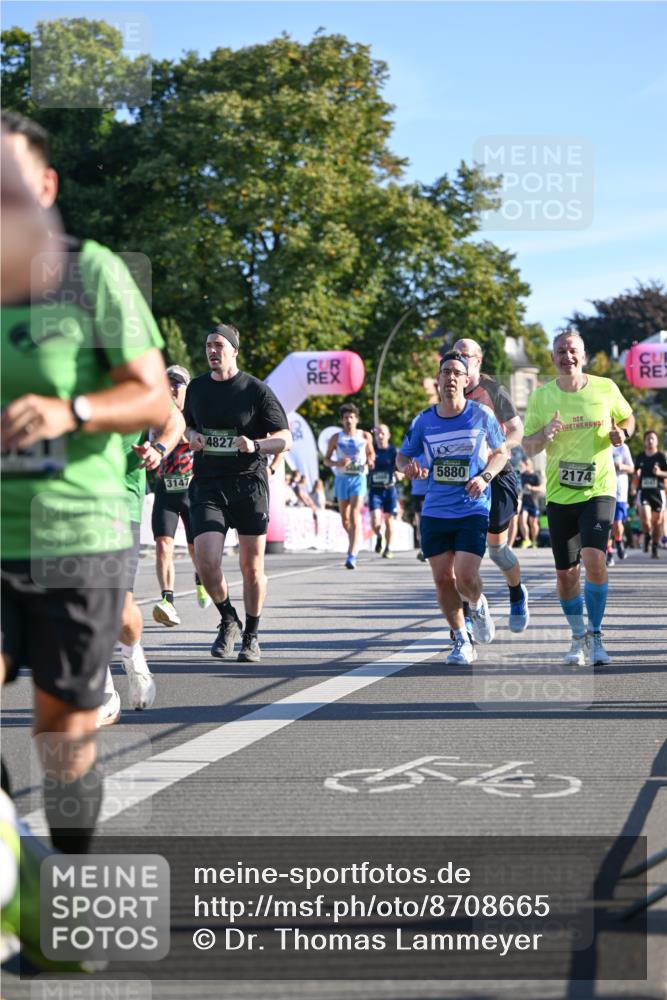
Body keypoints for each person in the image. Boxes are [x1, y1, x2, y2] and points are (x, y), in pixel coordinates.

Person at [1, 111, 171, 853]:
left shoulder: (88, 270)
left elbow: (152, 397)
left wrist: (69, 409)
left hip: (78, 535)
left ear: (44, 186)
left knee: (61, 737)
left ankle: (66, 880)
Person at [523, 330, 634, 666]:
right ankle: (577, 638)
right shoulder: (542, 397)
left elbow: (628, 417)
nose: (566, 356)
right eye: (560, 351)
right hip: (560, 494)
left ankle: (596, 635)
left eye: (572, 350)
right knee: (566, 574)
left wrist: (622, 433)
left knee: (594, 558)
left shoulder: (605, 388)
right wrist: (545, 433)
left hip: (599, 488)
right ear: (553, 357)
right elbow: (528, 445)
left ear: (583, 355)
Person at [183, 323, 292, 663]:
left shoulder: (256, 391)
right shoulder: (197, 389)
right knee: (206, 561)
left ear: (234, 350)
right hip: (208, 484)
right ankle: (228, 618)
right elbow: (186, 423)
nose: (212, 351)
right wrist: (191, 436)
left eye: (218, 345)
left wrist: (255, 444)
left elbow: (285, 438)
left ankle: (252, 634)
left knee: (251, 566)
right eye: (208, 346)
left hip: (248, 485)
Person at [397, 351, 508, 665]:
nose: (450, 378)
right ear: (438, 379)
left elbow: (501, 453)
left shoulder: (481, 415)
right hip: (435, 510)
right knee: (443, 580)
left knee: (464, 576)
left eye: (456, 372)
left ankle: (479, 603)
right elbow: (402, 457)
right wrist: (409, 468)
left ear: (466, 379)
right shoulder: (424, 420)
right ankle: (462, 639)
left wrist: (486, 477)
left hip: (472, 507)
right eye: (445, 372)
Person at [96, 404, 187, 726]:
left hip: (118, 503)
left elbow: (174, 418)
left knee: (119, 609)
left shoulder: (126, 367)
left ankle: (132, 654)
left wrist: (159, 448)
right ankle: (103, 692)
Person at [453, 338, 530, 632]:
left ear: (478, 361)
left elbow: (516, 430)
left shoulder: (493, 390)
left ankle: (516, 594)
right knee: (461, 554)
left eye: (465, 355)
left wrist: (495, 448)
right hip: (464, 481)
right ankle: (468, 618)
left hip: (498, 476)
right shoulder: (449, 390)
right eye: (455, 353)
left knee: (497, 551)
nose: (459, 358)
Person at [152, 364, 211, 628]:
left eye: (177, 384)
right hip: (166, 490)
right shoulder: (155, 416)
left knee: (194, 549)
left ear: (187, 388)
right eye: (168, 384)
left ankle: (201, 580)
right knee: (163, 545)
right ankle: (168, 601)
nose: (172, 388)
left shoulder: (196, 414)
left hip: (192, 491)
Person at [323, 404, 375, 569]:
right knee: (345, 520)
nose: (349, 420)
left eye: (352, 417)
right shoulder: (336, 438)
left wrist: (371, 460)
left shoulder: (365, 436)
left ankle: (352, 554)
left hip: (358, 477)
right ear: (342, 420)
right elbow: (326, 460)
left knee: (354, 514)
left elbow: (371, 453)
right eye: (346, 418)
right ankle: (355, 539)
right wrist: (337, 462)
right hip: (342, 479)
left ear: (357, 419)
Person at [368, 424, 402, 559]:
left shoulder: (394, 451)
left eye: (383, 433)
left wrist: (401, 474)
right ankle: (379, 535)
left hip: (389, 490)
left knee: (389, 521)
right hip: (375, 490)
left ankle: (388, 548)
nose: (380, 436)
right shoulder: (371, 450)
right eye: (378, 434)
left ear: (388, 435)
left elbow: (402, 468)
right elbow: (363, 463)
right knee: (375, 520)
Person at [634, 430, 667, 559]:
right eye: (648, 438)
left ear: (657, 441)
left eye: (653, 438)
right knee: (646, 519)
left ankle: (654, 545)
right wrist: (635, 480)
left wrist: (659, 473)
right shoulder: (640, 456)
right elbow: (635, 473)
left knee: (657, 522)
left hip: (658, 492)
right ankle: (647, 534)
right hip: (644, 491)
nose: (650, 441)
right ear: (644, 441)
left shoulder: (661, 457)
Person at [609, 438, 635, 563]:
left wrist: (621, 466)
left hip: (619, 491)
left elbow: (632, 468)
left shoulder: (622, 447)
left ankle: (618, 541)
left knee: (617, 524)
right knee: (606, 525)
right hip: (603, 490)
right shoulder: (599, 445)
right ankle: (609, 552)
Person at [519, 458, 542, 548]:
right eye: (525, 464)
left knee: (533, 523)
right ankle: (526, 539)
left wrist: (531, 488)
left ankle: (534, 541)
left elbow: (542, 488)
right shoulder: (522, 476)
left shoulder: (536, 476)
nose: (526, 465)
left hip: (534, 502)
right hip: (524, 502)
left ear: (531, 465)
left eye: (527, 464)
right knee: (523, 520)